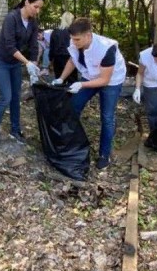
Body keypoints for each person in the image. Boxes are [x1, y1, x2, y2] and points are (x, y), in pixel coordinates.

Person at [52, 18, 126, 170]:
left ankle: (104, 155)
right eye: (72, 39)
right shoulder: (75, 42)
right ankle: (69, 144)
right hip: (90, 76)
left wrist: (81, 84)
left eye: (77, 39)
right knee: (73, 107)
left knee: (107, 117)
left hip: (111, 81)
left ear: (88, 35)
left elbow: (104, 80)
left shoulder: (107, 48)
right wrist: (61, 78)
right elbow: (72, 61)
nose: (74, 42)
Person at [0, 0, 44, 146]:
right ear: (26, 2)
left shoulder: (33, 22)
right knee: (6, 97)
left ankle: (15, 130)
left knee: (16, 97)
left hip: (15, 64)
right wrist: (27, 63)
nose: (37, 10)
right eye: (35, 6)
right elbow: (10, 46)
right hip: (1, 62)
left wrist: (34, 63)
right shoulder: (11, 18)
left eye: (40, 8)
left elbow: (34, 46)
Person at [48, 11, 77, 83]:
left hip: (58, 59)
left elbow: (51, 47)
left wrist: (50, 59)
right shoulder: (74, 32)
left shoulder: (55, 32)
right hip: (71, 59)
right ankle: (71, 94)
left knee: (59, 80)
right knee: (72, 82)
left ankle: (61, 94)